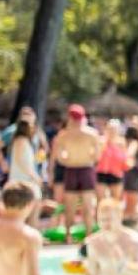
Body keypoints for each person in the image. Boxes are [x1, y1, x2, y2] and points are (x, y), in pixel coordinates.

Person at [52, 104, 103, 244]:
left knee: (70, 206)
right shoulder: (91, 133)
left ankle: (69, 236)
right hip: (85, 168)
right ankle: (88, 236)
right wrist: (86, 158)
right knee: (87, 205)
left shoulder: (64, 135)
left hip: (72, 169)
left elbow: (59, 157)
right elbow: (97, 156)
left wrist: (69, 159)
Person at [96, 119, 129, 202]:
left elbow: (124, 158)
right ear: (106, 129)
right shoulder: (101, 141)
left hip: (116, 173)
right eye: (110, 129)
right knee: (100, 200)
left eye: (114, 129)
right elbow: (96, 157)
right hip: (102, 173)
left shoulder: (121, 142)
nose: (112, 131)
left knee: (115, 201)